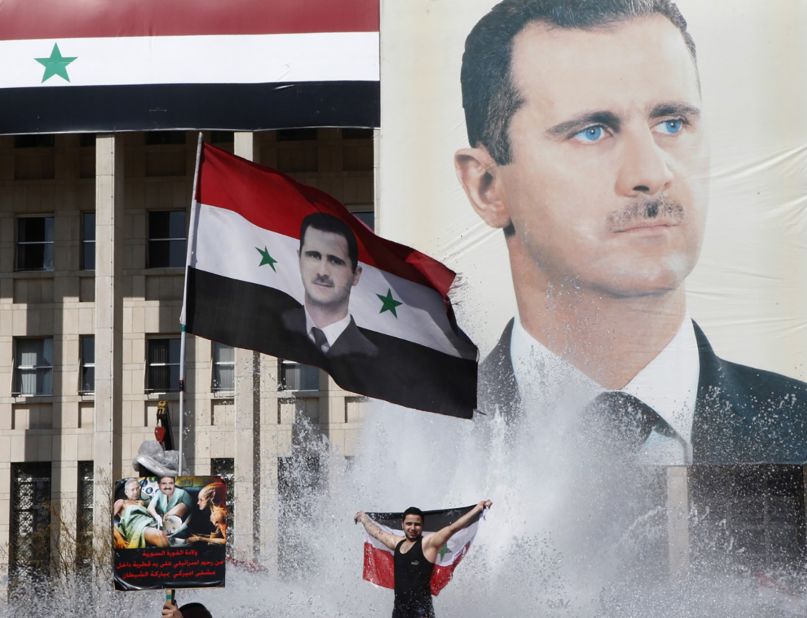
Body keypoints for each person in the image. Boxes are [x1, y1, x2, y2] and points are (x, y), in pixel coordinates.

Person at [454, 0, 807, 464]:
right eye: (592, 132)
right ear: (488, 186)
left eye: (672, 123)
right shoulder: (430, 447)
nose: (652, 172)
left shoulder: (797, 429)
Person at [355, 500, 492, 617]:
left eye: (417, 524)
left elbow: (453, 528)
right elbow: (378, 533)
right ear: (402, 525)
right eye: (409, 524)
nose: (412, 528)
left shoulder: (428, 544)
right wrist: (364, 518)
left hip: (421, 611)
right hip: (399, 611)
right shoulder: (397, 543)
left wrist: (478, 509)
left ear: (422, 526)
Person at [283, 212, 377, 358]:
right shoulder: (277, 326)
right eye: (314, 256)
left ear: (356, 275)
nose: (322, 272)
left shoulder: (370, 353)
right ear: (299, 259)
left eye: (335, 261)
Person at [113, 477, 168, 548]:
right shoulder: (121, 502)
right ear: (126, 492)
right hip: (136, 527)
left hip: (150, 523)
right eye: (132, 490)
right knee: (159, 535)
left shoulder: (141, 503)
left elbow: (153, 506)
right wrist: (119, 539)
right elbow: (109, 522)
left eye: (137, 488)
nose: (135, 492)